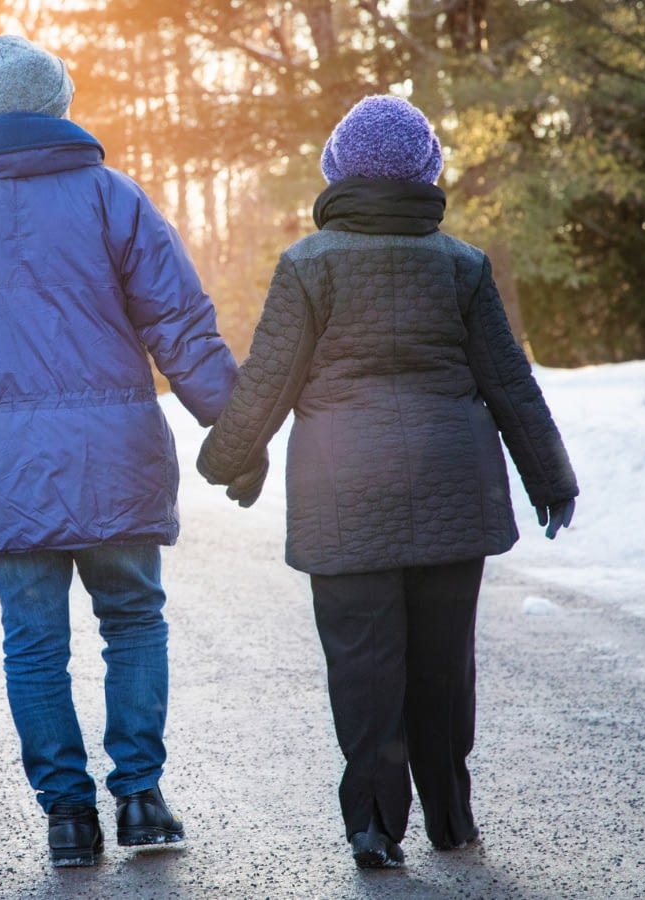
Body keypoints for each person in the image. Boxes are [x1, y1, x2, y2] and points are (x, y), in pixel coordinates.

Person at [195, 94, 579, 870]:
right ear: (427, 174)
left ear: (337, 172)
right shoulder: (463, 264)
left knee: (365, 665)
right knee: (443, 664)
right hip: (451, 482)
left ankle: (374, 824)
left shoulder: (309, 264)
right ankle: (451, 818)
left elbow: (270, 379)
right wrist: (551, 475)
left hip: (344, 493)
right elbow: (509, 381)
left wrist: (228, 459)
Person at [0, 34, 238, 868]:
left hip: (6, 473)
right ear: (58, 107)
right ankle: (142, 799)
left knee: (34, 644)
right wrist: (234, 418)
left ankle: (68, 817)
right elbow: (177, 322)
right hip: (114, 459)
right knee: (133, 620)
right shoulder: (112, 199)